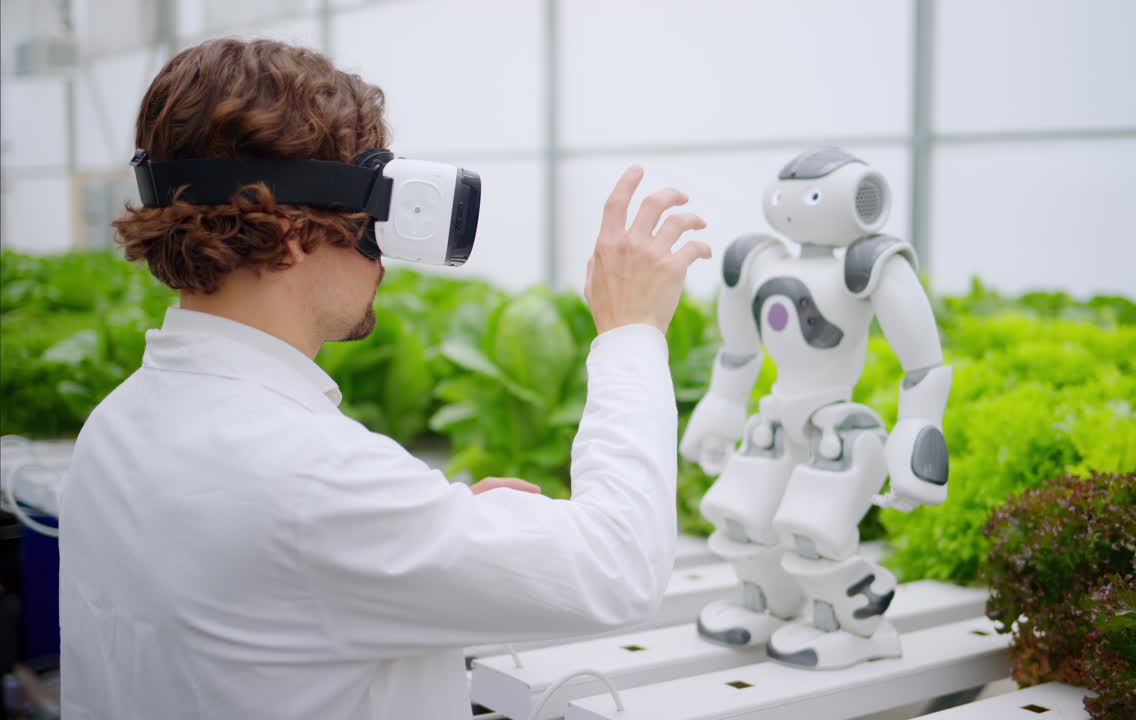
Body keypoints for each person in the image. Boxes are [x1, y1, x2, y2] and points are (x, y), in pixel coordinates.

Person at [58, 38, 710, 720]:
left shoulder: (114, 427)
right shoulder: (312, 481)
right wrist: (630, 331)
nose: (386, 249)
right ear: (287, 229)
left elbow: (286, 583)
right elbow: (618, 571)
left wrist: (431, 528)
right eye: (372, 208)